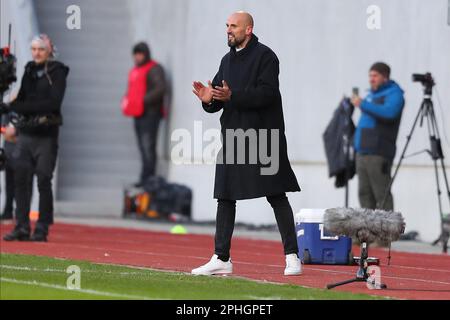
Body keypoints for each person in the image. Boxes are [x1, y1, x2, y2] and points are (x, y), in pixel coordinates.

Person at [191, 12, 302, 276]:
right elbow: (218, 100)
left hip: (264, 137)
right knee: (225, 196)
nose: (229, 30)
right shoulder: (226, 61)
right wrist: (209, 99)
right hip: (234, 138)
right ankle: (221, 258)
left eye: (234, 26)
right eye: (227, 26)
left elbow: (267, 94)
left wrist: (232, 96)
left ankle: (292, 256)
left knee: (276, 195)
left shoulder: (266, 56)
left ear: (248, 30)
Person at [1, 34, 69, 242]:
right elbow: (21, 97)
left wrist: (19, 107)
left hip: (46, 135)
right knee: (21, 180)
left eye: (40, 49)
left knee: (43, 180)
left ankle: (42, 227)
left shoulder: (57, 72)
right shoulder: (29, 70)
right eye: (33, 49)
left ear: (49, 50)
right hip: (26, 133)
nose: (36, 53)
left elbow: (52, 104)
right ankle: (21, 225)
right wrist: (8, 107)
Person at [351, 62, 405, 211]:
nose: (371, 79)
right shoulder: (371, 95)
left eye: (375, 75)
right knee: (364, 196)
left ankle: (388, 232)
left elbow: (389, 113)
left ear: (385, 77)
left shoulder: (395, 94)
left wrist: (363, 104)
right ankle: (368, 232)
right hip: (362, 153)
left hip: (379, 153)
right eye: (370, 75)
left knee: (382, 196)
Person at [123, 42, 166, 187]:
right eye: (135, 54)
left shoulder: (155, 69)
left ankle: (148, 180)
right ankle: (145, 179)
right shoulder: (135, 70)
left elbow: (160, 89)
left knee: (148, 148)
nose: (137, 57)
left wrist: (142, 101)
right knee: (143, 148)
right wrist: (127, 101)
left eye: (140, 54)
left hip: (151, 114)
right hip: (138, 114)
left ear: (146, 54)